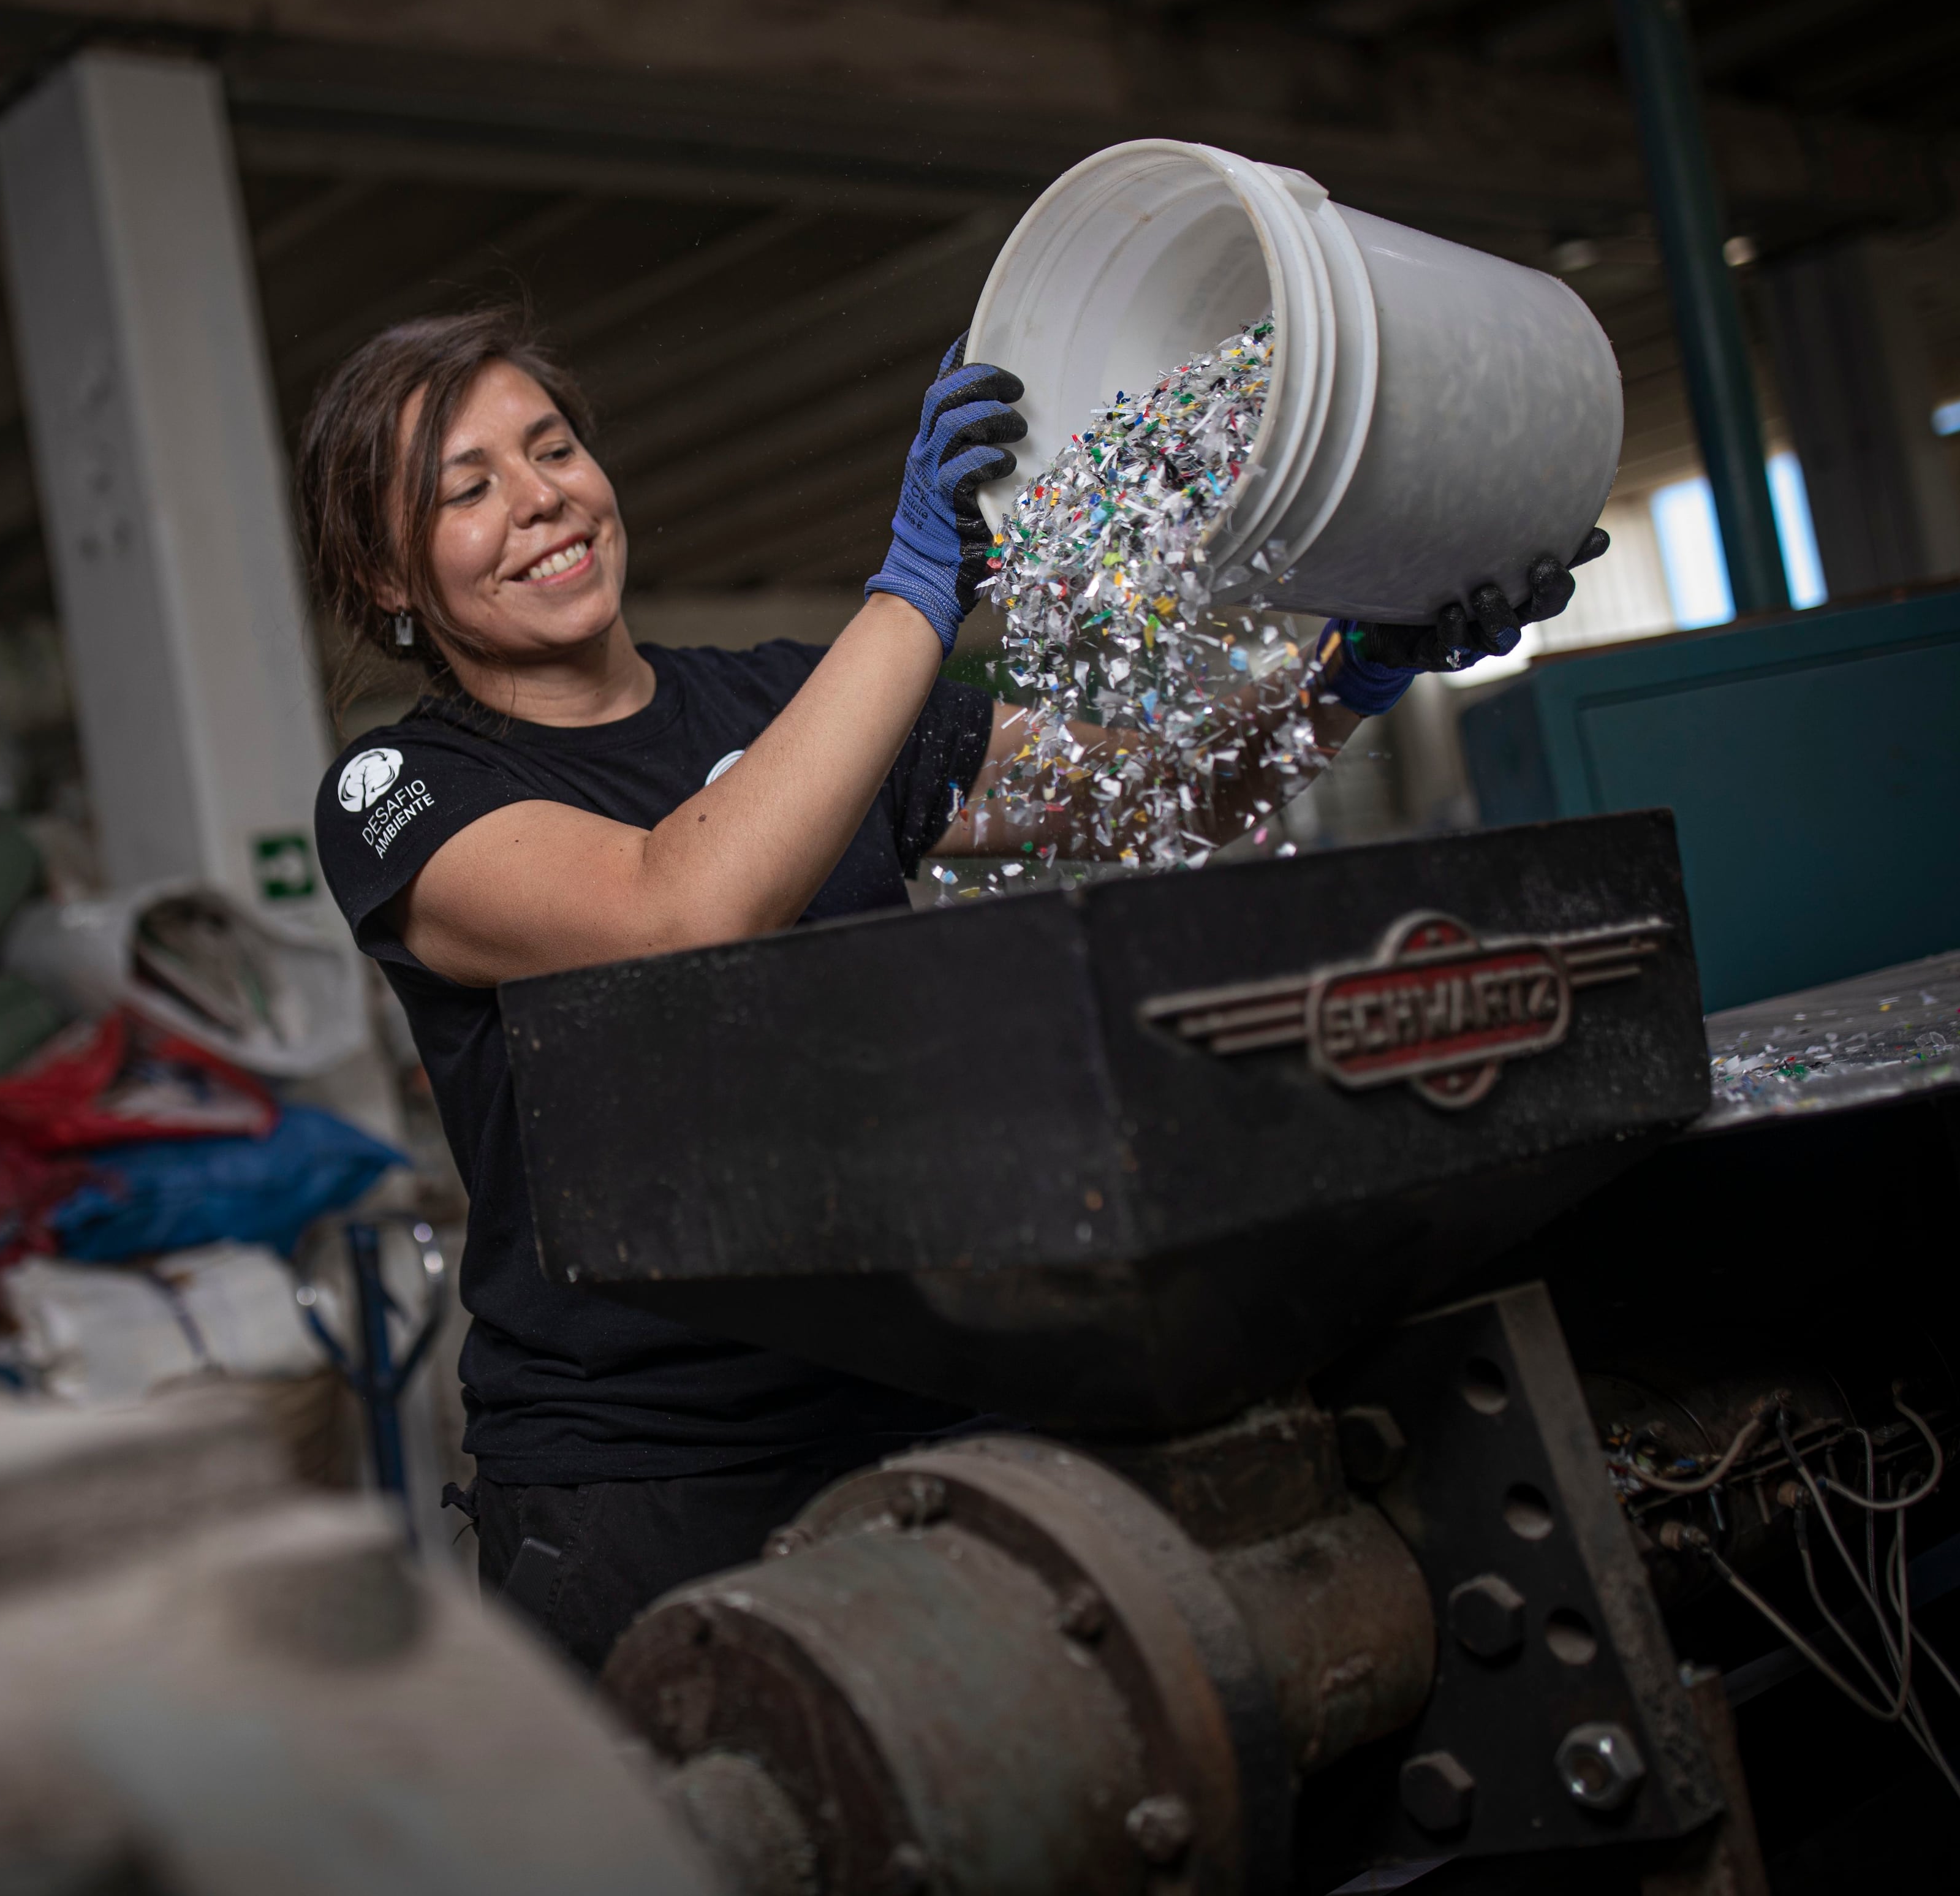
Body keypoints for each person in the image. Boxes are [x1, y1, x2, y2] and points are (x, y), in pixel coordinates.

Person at [298, 306, 1576, 1672]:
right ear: (388, 575)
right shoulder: (402, 794)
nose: (539, 499)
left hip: (939, 1398)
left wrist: (1352, 670)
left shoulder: (793, 700)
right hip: (650, 1477)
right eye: (467, 488)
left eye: (551, 448)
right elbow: (677, 906)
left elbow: (1171, 792)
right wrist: (911, 588)